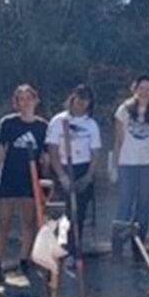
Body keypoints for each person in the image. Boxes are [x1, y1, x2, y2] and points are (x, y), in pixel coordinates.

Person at [0, 85, 48, 284]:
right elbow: (0, 150)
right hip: (9, 177)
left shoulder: (42, 126)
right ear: (16, 102)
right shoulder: (8, 123)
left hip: (31, 179)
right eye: (21, 99)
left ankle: (25, 259)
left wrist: (46, 179)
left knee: (29, 221)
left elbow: (45, 155)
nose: (25, 102)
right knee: (3, 222)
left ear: (35, 100)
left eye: (28, 98)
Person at [47, 84, 102, 268]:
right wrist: (61, 176)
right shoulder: (58, 121)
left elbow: (95, 153)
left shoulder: (91, 124)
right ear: (72, 99)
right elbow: (53, 150)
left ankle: (74, 249)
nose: (81, 103)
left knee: (79, 212)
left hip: (82, 168)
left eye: (85, 100)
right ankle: (62, 248)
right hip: (62, 167)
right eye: (79, 98)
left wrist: (88, 176)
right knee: (67, 212)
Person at [112, 75, 149, 257]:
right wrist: (114, 165)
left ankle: (139, 246)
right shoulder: (124, 111)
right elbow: (118, 140)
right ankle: (118, 246)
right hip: (127, 163)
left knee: (144, 205)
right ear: (134, 89)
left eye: (148, 89)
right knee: (125, 203)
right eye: (141, 88)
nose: (144, 92)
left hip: (148, 164)